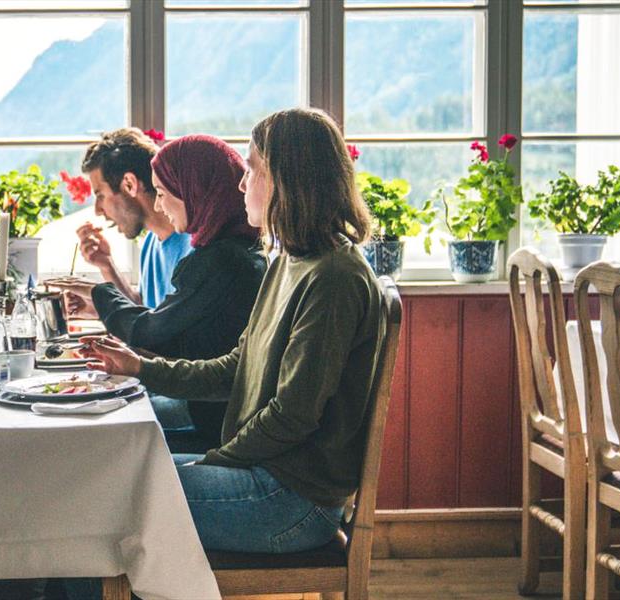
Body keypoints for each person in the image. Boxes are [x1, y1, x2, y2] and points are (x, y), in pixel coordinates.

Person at [82, 107, 391, 554]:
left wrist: (214, 461)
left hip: (291, 499)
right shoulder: (290, 260)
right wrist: (141, 367)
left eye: (253, 169)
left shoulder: (334, 278)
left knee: (104, 498)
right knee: (111, 475)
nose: (242, 182)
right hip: (265, 474)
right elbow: (234, 368)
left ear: (289, 180)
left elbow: (293, 415)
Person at [51, 134, 265, 452]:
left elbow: (153, 333)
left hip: (212, 422)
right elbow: (165, 328)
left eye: (164, 192)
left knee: (95, 433)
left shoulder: (218, 259)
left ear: (193, 191)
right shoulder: (238, 252)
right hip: (213, 413)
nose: (160, 204)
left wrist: (101, 295)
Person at [64, 128, 192, 310]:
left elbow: (161, 328)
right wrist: (106, 265)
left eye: (100, 195)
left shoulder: (193, 249)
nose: (98, 210)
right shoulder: (151, 242)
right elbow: (144, 311)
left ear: (129, 184)